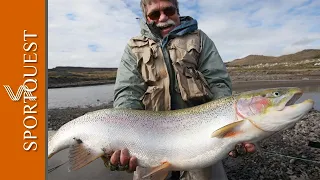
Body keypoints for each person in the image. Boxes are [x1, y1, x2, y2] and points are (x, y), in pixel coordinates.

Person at [102, 0, 256, 179]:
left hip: (201, 139)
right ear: (146, 17)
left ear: (177, 10)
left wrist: (230, 127)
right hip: (148, 141)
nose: (163, 18)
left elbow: (218, 83)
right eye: (154, 14)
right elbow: (128, 92)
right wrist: (123, 139)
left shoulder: (200, 38)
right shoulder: (133, 48)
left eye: (169, 10)